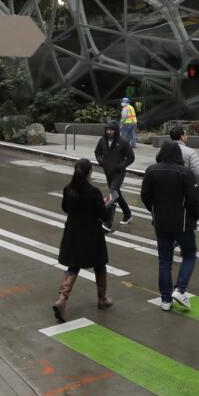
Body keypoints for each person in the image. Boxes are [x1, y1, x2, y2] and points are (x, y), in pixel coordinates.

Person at [141, 142, 199, 312]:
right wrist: (196, 215)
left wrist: (154, 210)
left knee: (164, 260)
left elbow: (145, 196)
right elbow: (192, 199)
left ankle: (165, 300)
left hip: (160, 222)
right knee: (189, 254)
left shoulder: (151, 170)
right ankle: (180, 289)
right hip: (182, 223)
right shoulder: (185, 173)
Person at [52, 159, 112, 323]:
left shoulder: (68, 189)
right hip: (91, 233)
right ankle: (102, 298)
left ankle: (62, 299)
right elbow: (104, 216)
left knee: (73, 265)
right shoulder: (93, 192)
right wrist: (105, 204)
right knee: (99, 264)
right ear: (89, 173)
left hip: (72, 232)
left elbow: (65, 208)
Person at [94, 121, 134, 226]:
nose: (109, 132)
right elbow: (97, 153)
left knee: (112, 194)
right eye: (107, 129)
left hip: (118, 173)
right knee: (117, 194)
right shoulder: (102, 141)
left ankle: (108, 222)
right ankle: (128, 214)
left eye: (111, 130)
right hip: (108, 172)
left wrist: (121, 165)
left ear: (116, 131)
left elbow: (131, 157)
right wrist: (100, 161)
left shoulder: (123, 142)